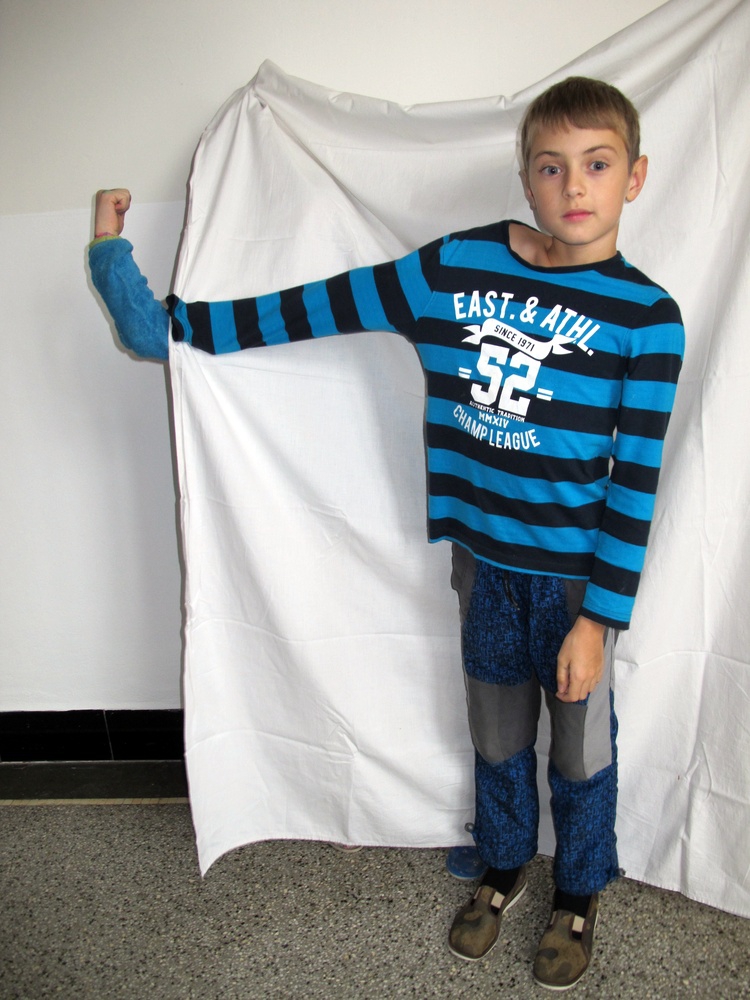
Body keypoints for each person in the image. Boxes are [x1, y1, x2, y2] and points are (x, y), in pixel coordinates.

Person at [89, 76, 684, 991]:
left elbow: (636, 484)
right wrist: (143, 302)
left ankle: (579, 888)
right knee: (495, 735)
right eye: (551, 166)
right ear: (525, 178)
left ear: (634, 177)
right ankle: (503, 864)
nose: (574, 185)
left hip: (576, 584)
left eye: (597, 165)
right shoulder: (454, 270)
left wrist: (598, 621)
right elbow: (312, 306)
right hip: (484, 567)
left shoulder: (648, 319)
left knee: (580, 752)